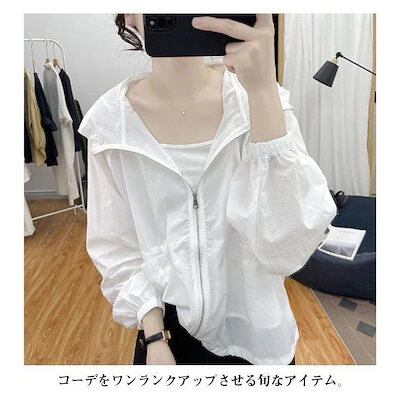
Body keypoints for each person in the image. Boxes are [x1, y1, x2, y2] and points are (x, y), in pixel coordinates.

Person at [78, 14, 337, 365]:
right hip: (164, 332)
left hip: (257, 334)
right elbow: (116, 245)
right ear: (128, 16)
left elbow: (286, 249)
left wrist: (262, 91)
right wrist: (154, 335)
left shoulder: (257, 99)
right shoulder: (111, 123)